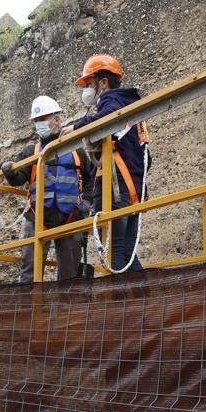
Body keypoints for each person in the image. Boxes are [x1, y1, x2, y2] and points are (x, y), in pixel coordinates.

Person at [61, 53, 148, 273]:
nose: (86, 90)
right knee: (126, 252)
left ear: (103, 83)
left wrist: (77, 127)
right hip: (134, 189)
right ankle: (146, 299)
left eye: (88, 84)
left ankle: (126, 306)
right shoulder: (132, 106)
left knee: (117, 253)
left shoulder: (112, 100)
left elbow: (107, 116)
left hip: (117, 188)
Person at [1, 95, 94, 282]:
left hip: (70, 218)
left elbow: (91, 177)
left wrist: (86, 202)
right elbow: (19, 178)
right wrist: (10, 172)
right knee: (29, 272)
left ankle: (65, 309)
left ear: (56, 119)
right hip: (37, 218)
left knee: (70, 275)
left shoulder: (77, 151)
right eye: (36, 121)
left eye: (43, 119)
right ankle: (30, 308)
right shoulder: (30, 152)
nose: (39, 124)